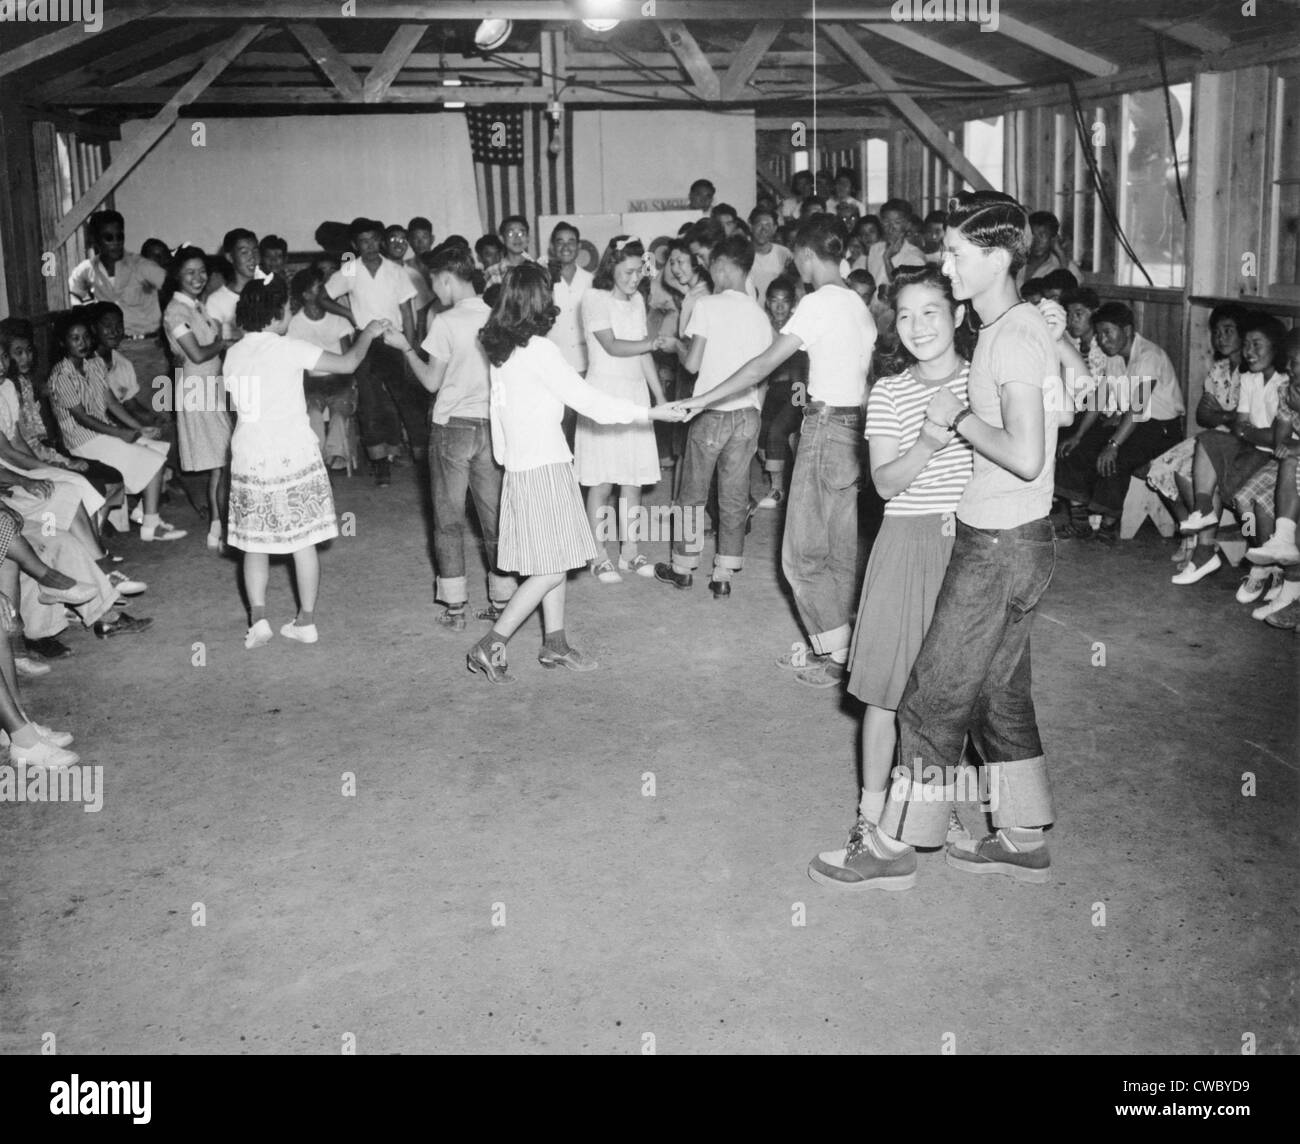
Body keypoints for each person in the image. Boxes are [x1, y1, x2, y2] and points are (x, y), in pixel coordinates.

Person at [807, 190, 1062, 890]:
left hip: (996, 542)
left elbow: (1028, 452)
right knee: (1000, 697)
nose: (945, 264)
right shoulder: (1020, 326)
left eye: (957, 253)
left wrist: (953, 418)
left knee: (926, 701)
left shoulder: (1010, 334)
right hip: (1022, 538)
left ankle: (893, 847)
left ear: (1001, 256)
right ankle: (1022, 833)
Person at [808, 267, 976, 883]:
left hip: (971, 542)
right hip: (906, 543)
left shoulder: (982, 382)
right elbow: (884, 483)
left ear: (959, 315)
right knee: (885, 692)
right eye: (904, 316)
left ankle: (935, 810)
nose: (916, 326)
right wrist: (934, 434)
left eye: (931, 311)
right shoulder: (890, 393)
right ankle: (872, 821)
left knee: (952, 691)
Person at [671, 215, 876, 687]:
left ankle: (834, 652)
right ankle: (840, 645)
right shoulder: (857, 305)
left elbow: (764, 364)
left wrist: (702, 399)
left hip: (824, 426)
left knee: (799, 557)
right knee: (838, 551)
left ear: (804, 256)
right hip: (851, 428)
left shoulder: (818, 302)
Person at [468, 264, 683, 683]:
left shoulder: (503, 351)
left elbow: (497, 416)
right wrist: (650, 412)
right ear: (537, 301)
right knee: (551, 566)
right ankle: (490, 643)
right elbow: (590, 402)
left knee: (557, 560)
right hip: (543, 468)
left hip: (526, 469)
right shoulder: (539, 351)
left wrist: (510, 462)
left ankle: (555, 644)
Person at [222, 278, 386, 648]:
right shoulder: (290, 347)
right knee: (304, 541)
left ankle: (259, 619)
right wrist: (370, 332)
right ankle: (306, 622)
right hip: (293, 453)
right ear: (277, 313)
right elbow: (348, 362)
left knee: (254, 544)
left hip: (251, 454)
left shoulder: (232, 354)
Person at [386, 244, 515, 629]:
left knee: (448, 519)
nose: (434, 292)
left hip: (452, 428)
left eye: (433, 283)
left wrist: (404, 346)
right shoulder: (497, 316)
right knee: (493, 518)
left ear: (445, 277)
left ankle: (456, 608)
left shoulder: (445, 321)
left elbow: (429, 381)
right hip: (490, 426)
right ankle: (504, 600)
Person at [652, 235, 771, 597]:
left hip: (711, 413)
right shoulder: (759, 313)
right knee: (734, 495)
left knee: (693, 493)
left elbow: (692, 362)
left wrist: (676, 345)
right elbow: (762, 372)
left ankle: (683, 567)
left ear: (721, 267)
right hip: (748, 413)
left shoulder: (708, 305)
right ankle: (724, 573)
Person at [575, 237, 669, 583]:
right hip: (604, 393)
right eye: (628, 272)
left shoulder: (639, 299)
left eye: (639, 272)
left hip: (634, 395)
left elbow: (644, 355)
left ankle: (629, 552)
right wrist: (652, 342)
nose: (634, 279)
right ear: (611, 266)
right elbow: (612, 345)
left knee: (633, 480)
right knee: (601, 480)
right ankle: (598, 554)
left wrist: (659, 398)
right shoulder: (593, 298)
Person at [1172, 313, 1288, 587]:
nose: (1249, 352)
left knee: (1241, 502)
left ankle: (1214, 553)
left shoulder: (1284, 383)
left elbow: (1276, 439)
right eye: (1246, 345)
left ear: (1276, 347)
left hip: (1273, 459)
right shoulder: (1250, 379)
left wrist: (1251, 431)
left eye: (1257, 345)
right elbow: (1239, 426)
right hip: (1251, 448)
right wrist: (1252, 431)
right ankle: (1203, 515)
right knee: (1208, 440)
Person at [47, 310, 182, 543]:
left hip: (103, 434)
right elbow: (83, 419)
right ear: (63, 342)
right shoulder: (60, 376)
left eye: (86, 337)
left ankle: (145, 514)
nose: (83, 343)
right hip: (83, 442)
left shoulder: (95, 363)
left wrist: (138, 428)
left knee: (158, 448)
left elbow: (109, 401)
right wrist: (120, 433)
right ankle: (149, 524)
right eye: (75, 338)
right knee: (153, 461)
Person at [1054, 303, 1185, 543]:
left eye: (1108, 332)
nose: (1103, 340)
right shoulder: (1114, 358)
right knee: (1073, 448)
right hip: (1131, 423)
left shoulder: (1149, 356)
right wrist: (1078, 435)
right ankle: (1080, 521)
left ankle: (1109, 524)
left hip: (1162, 429)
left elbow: (1137, 408)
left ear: (1127, 329)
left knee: (1115, 458)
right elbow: (1100, 397)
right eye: (1100, 334)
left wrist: (1112, 445)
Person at [324, 217, 424, 483]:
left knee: (406, 401)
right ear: (355, 244)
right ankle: (380, 464)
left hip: (394, 340)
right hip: (365, 342)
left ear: (381, 240)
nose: (369, 245)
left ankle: (423, 459)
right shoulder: (350, 270)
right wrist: (352, 314)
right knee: (370, 403)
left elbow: (407, 311)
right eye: (363, 241)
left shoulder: (395, 270)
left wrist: (409, 346)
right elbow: (323, 297)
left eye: (373, 239)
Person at [1146, 302, 1247, 562]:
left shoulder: (1253, 371)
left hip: (1239, 442)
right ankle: (1188, 530)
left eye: (1228, 330)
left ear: (1243, 333)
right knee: (1159, 467)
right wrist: (1225, 415)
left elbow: (1243, 421)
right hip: (1214, 436)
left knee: (1185, 472)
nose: (1221, 337)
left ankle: (1204, 539)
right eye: (1217, 332)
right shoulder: (1218, 369)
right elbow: (1203, 415)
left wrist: (1222, 415)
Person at [163, 246, 234, 549]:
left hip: (211, 387)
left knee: (222, 461)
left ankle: (217, 528)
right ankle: (221, 528)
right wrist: (224, 342)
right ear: (177, 274)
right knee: (224, 459)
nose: (198, 277)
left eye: (202, 271)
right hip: (197, 392)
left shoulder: (197, 306)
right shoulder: (175, 312)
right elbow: (196, 353)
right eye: (190, 272)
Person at [68, 210, 169, 393]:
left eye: (119, 236)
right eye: (108, 237)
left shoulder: (142, 266)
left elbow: (174, 290)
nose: (115, 242)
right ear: (95, 240)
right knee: (123, 412)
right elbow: (74, 295)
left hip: (147, 351)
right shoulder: (87, 270)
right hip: (112, 353)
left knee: (159, 413)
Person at [287, 267, 357, 471]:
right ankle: (315, 458)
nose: (325, 293)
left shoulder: (338, 319)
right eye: (319, 289)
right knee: (313, 413)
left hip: (340, 379)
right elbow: (295, 363)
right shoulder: (296, 324)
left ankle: (335, 455)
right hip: (312, 383)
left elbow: (347, 357)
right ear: (306, 295)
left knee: (338, 413)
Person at [755, 278, 807, 509]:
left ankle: (777, 490)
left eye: (784, 302)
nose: (779, 307)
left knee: (778, 431)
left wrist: (801, 405)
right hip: (770, 389)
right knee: (761, 431)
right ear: (767, 302)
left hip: (798, 389)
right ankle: (780, 478)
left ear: (793, 303)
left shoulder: (798, 327)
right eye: (774, 301)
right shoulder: (762, 326)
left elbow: (801, 373)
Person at [545, 222, 593, 376]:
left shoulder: (591, 280)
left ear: (579, 246)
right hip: (553, 364)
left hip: (586, 363)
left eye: (571, 242)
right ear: (552, 247)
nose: (566, 247)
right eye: (560, 242)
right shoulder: (542, 280)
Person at [868, 199, 927, 293]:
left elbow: (902, 289)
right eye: (886, 222)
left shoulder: (915, 256)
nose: (891, 228)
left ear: (908, 225)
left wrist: (887, 259)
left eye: (897, 223)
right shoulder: (875, 249)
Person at [1019, 210, 1081, 286]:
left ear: (1053, 238)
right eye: (1032, 235)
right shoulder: (1017, 263)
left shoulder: (1065, 265)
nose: (1036, 241)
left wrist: (1061, 254)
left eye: (1042, 235)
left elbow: (1071, 291)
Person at [749, 206, 795, 301]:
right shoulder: (742, 253)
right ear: (751, 226)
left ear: (774, 228)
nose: (763, 229)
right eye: (759, 224)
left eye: (768, 225)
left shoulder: (784, 253)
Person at [485, 216, 538, 287]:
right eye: (510, 234)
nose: (517, 238)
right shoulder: (493, 272)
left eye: (521, 233)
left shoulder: (537, 269)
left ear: (528, 238)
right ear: (502, 239)